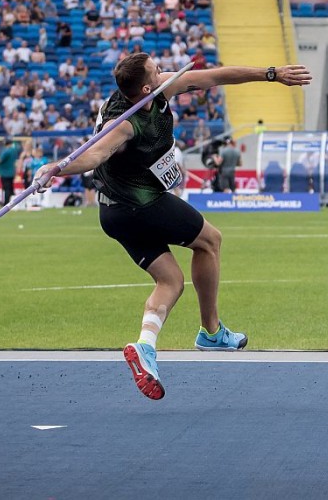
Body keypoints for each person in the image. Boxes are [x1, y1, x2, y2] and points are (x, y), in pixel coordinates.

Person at [33, 54, 312, 400]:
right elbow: (96, 154)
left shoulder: (158, 89)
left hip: (114, 214)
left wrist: (271, 73)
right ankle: (211, 332)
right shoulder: (123, 123)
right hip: (138, 205)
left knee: (171, 281)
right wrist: (56, 168)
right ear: (145, 88)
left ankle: (144, 347)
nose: (162, 69)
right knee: (209, 240)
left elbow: (216, 76)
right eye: (155, 69)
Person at [0, 137, 21, 205]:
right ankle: (13, 202)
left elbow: (0, 160)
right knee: (10, 188)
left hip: (5, 172)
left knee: (6, 189)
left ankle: (6, 203)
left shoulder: (6, 151)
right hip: (11, 172)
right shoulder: (14, 150)